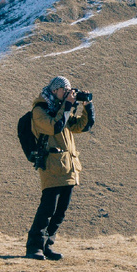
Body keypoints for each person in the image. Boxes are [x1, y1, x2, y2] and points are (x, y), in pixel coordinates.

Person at [25, 75, 95, 260]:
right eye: (65, 90)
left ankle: (47, 245)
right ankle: (34, 247)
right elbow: (54, 127)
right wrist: (68, 106)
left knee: (60, 212)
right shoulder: (40, 110)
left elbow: (82, 126)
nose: (68, 93)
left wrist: (87, 106)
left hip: (69, 167)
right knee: (48, 209)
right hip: (52, 167)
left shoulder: (61, 109)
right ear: (55, 90)